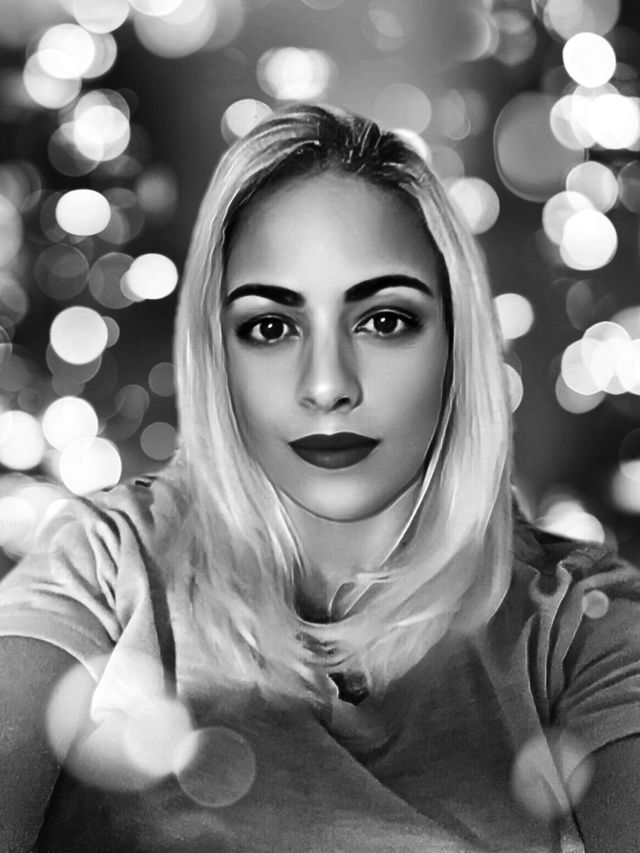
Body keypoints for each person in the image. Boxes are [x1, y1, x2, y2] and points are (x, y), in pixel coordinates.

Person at [0, 103, 639, 853]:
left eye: (384, 320)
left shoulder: (577, 624)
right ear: (217, 353)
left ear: (456, 342)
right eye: (271, 327)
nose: (328, 384)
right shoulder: (106, 565)